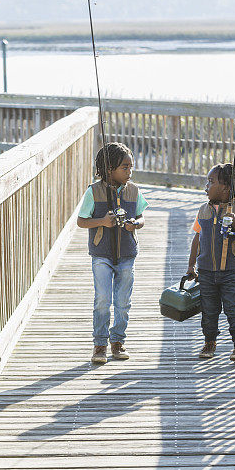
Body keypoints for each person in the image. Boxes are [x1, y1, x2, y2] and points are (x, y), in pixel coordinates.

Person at [77, 142, 148, 364]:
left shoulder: (134, 190)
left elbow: (141, 217)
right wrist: (103, 222)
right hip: (102, 254)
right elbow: (81, 221)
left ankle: (117, 341)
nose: (129, 172)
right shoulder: (94, 191)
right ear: (110, 170)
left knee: (123, 301)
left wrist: (135, 224)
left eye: (131, 167)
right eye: (125, 168)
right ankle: (100, 344)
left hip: (127, 253)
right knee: (103, 299)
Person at [186, 163, 235, 363]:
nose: (206, 186)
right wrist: (191, 266)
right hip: (206, 270)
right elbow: (197, 238)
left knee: (234, 308)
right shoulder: (203, 210)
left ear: (225, 187)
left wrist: (234, 222)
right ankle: (209, 341)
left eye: (210, 182)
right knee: (208, 309)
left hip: (231, 270)